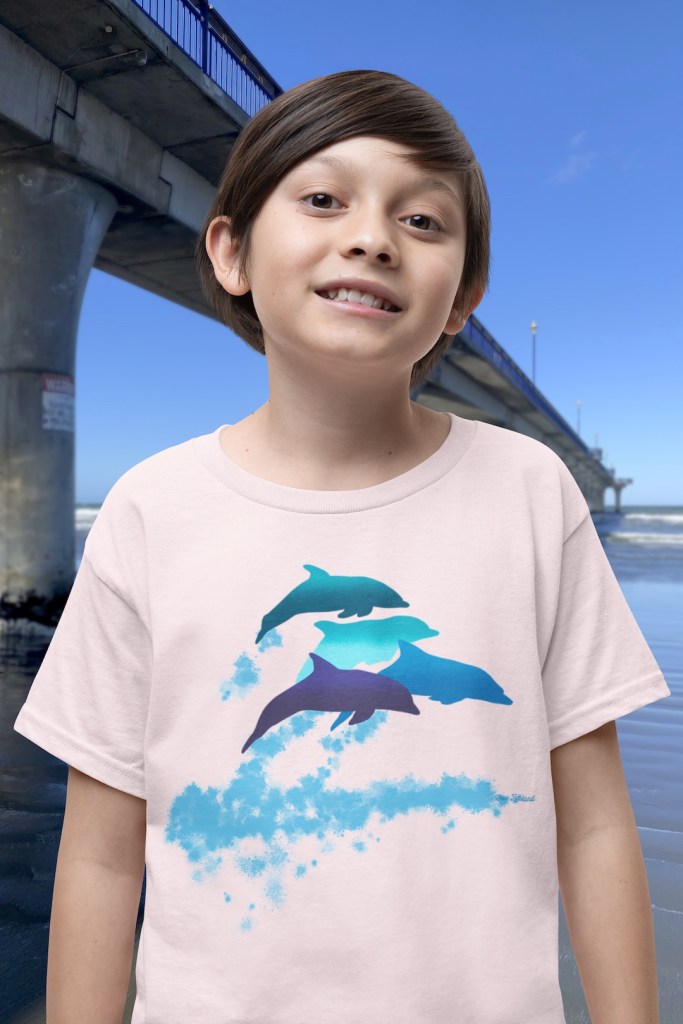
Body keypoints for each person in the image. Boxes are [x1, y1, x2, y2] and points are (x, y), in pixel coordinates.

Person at [13, 69, 670, 1024]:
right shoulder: (151, 508)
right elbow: (104, 856)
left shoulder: (530, 490)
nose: (371, 237)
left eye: (422, 220)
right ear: (231, 252)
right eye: (323, 200)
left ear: (462, 299)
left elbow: (596, 826)